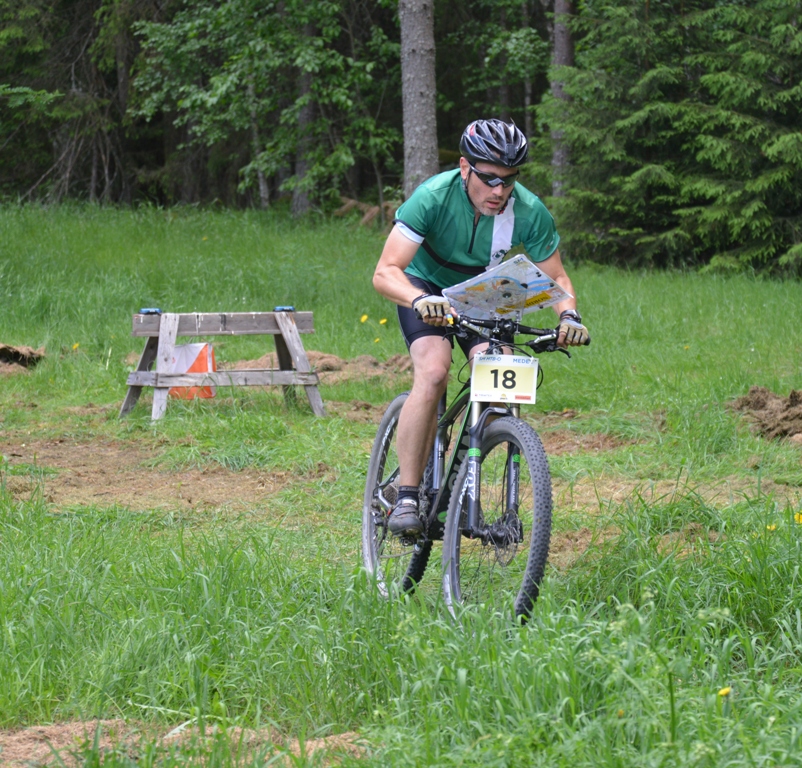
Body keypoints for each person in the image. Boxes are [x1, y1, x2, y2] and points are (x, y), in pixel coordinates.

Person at [373, 118, 590, 537]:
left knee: (501, 382)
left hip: (485, 290)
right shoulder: (433, 196)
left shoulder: (528, 209)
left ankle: (478, 469)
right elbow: (385, 271)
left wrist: (569, 316)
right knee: (434, 371)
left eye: (508, 181)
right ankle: (406, 493)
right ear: (464, 167)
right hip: (425, 285)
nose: (499, 191)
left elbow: (558, 279)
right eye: (489, 178)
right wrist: (419, 300)